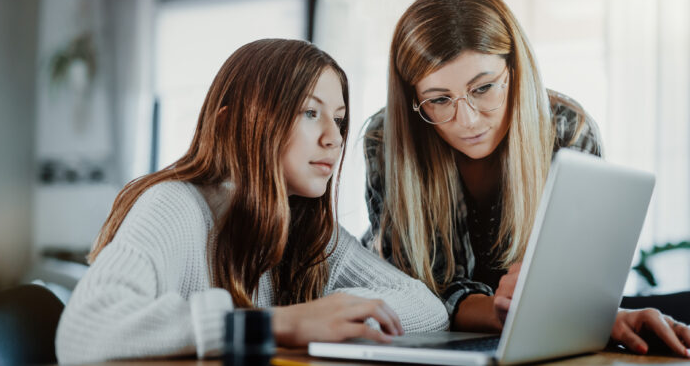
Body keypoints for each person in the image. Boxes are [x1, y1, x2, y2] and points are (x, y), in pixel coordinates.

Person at [362, 0, 690, 359]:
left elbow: (577, 286)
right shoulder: (387, 140)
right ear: (413, 99)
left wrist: (561, 311)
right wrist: (522, 314)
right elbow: (417, 294)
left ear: (515, 71)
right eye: (438, 100)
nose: (467, 120)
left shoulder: (567, 130)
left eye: (483, 88)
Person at [56, 39, 448, 364]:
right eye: (310, 113)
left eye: (340, 119)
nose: (334, 138)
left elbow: (428, 309)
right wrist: (276, 323)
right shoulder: (174, 205)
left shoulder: (307, 231)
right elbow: (85, 331)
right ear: (232, 123)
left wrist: (339, 309)